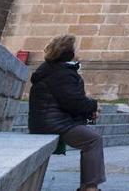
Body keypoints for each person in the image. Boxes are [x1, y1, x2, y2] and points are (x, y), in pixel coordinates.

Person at [27, 34, 106, 191]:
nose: (79, 50)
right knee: (93, 140)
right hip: (54, 124)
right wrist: (94, 106)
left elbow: (69, 101)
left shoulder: (54, 69)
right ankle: (90, 188)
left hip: (48, 121)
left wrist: (90, 111)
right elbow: (74, 102)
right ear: (67, 51)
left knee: (91, 136)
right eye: (76, 47)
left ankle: (89, 187)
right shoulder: (61, 72)